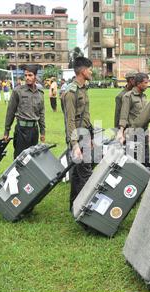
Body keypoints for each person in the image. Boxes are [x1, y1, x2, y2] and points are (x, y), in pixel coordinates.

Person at [62, 57, 93, 211]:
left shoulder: (83, 88)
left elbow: (85, 115)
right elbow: (70, 121)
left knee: (76, 174)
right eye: (89, 69)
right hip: (77, 137)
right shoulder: (70, 92)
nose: (91, 72)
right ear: (82, 71)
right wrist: (75, 145)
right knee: (86, 174)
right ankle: (86, 209)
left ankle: (74, 205)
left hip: (85, 135)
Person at [3, 65, 46, 159]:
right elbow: (10, 112)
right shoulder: (18, 91)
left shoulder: (40, 93)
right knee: (19, 159)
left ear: (35, 76)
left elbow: (41, 113)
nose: (27, 78)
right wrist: (6, 131)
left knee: (32, 158)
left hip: (34, 130)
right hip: (21, 130)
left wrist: (42, 132)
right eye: (25, 75)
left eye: (30, 75)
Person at [117, 73, 150, 168]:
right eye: (145, 83)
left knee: (147, 161)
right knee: (135, 162)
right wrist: (121, 132)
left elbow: (145, 117)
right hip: (133, 134)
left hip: (144, 133)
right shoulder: (128, 96)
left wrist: (148, 132)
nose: (147, 85)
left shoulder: (144, 96)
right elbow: (123, 116)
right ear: (138, 83)